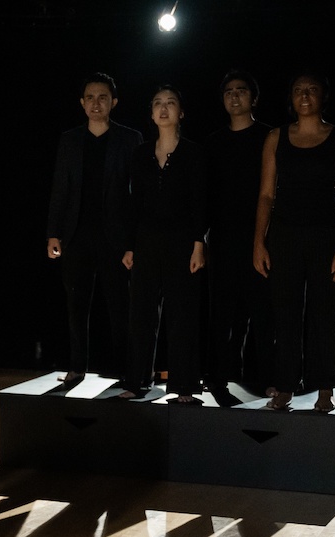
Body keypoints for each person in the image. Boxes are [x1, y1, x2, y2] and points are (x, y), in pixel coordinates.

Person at [254, 70, 335, 413]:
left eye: (312, 89)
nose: (305, 95)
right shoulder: (276, 137)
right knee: (285, 313)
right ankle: (285, 387)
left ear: (322, 96)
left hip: (325, 234)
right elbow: (266, 194)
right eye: (298, 89)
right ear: (291, 97)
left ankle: (325, 390)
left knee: (324, 314)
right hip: (284, 234)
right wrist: (259, 242)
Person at [47, 72, 143, 388]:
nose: (96, 103)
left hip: (115, 237)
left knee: (119, 307)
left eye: (102, 97)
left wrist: (132, 243)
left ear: (113, 102)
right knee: (76, 306)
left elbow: (137, 195)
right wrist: (53, 233)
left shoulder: (130, 138)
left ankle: (123, 369)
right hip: (76, 235)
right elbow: (60, 188)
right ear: (82, 103)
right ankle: (77, 367)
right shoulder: (70, 139)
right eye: (90, 97)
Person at [118, 84, 208, 403]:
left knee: (182, 314)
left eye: (170, 103)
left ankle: (184, 385)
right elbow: (134, 202)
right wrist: (130, 245)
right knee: (141, 312)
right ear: (152, 113)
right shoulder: (141, 153)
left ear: (181, 112)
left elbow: (200, 202)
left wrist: (199, 243)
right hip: (145, 240)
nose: (164, 108)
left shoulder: (193, 152)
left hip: (182, 241)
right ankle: (137, 380)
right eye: (157, 103)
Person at [203, 69, 275, 403]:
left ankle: (267, 380)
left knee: (263, 312)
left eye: (241, 90)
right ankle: (219, 376)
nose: (234, 96)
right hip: (221, 238)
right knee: (222, 313)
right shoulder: (214, 141)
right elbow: (205, 195)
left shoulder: (269, 136)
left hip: (261, 237)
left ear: (254, 98)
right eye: (228, 91)